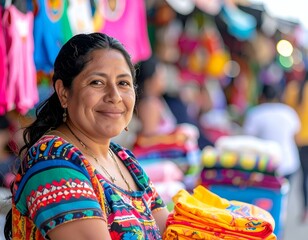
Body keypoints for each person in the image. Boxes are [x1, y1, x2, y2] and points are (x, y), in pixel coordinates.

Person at [4, 32, 169, 240]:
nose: (115, 96)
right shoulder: (53, 162)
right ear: (64, 93)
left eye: (123, 83)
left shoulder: (125, 160)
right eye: (97, 83)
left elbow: (171, 232)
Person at [242, 84, 301, 179]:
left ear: (261, 97)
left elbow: (247, 138)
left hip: (266, 164)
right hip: (289, 162)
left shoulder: (256, 113)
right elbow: (296, 136)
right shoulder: (288, 112)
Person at [284, 73, 308, 222]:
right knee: (305, 176)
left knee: (297, 176)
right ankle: (305, 208)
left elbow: (287, 113)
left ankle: (286, 207)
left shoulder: (293, 88)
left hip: (296, 139)